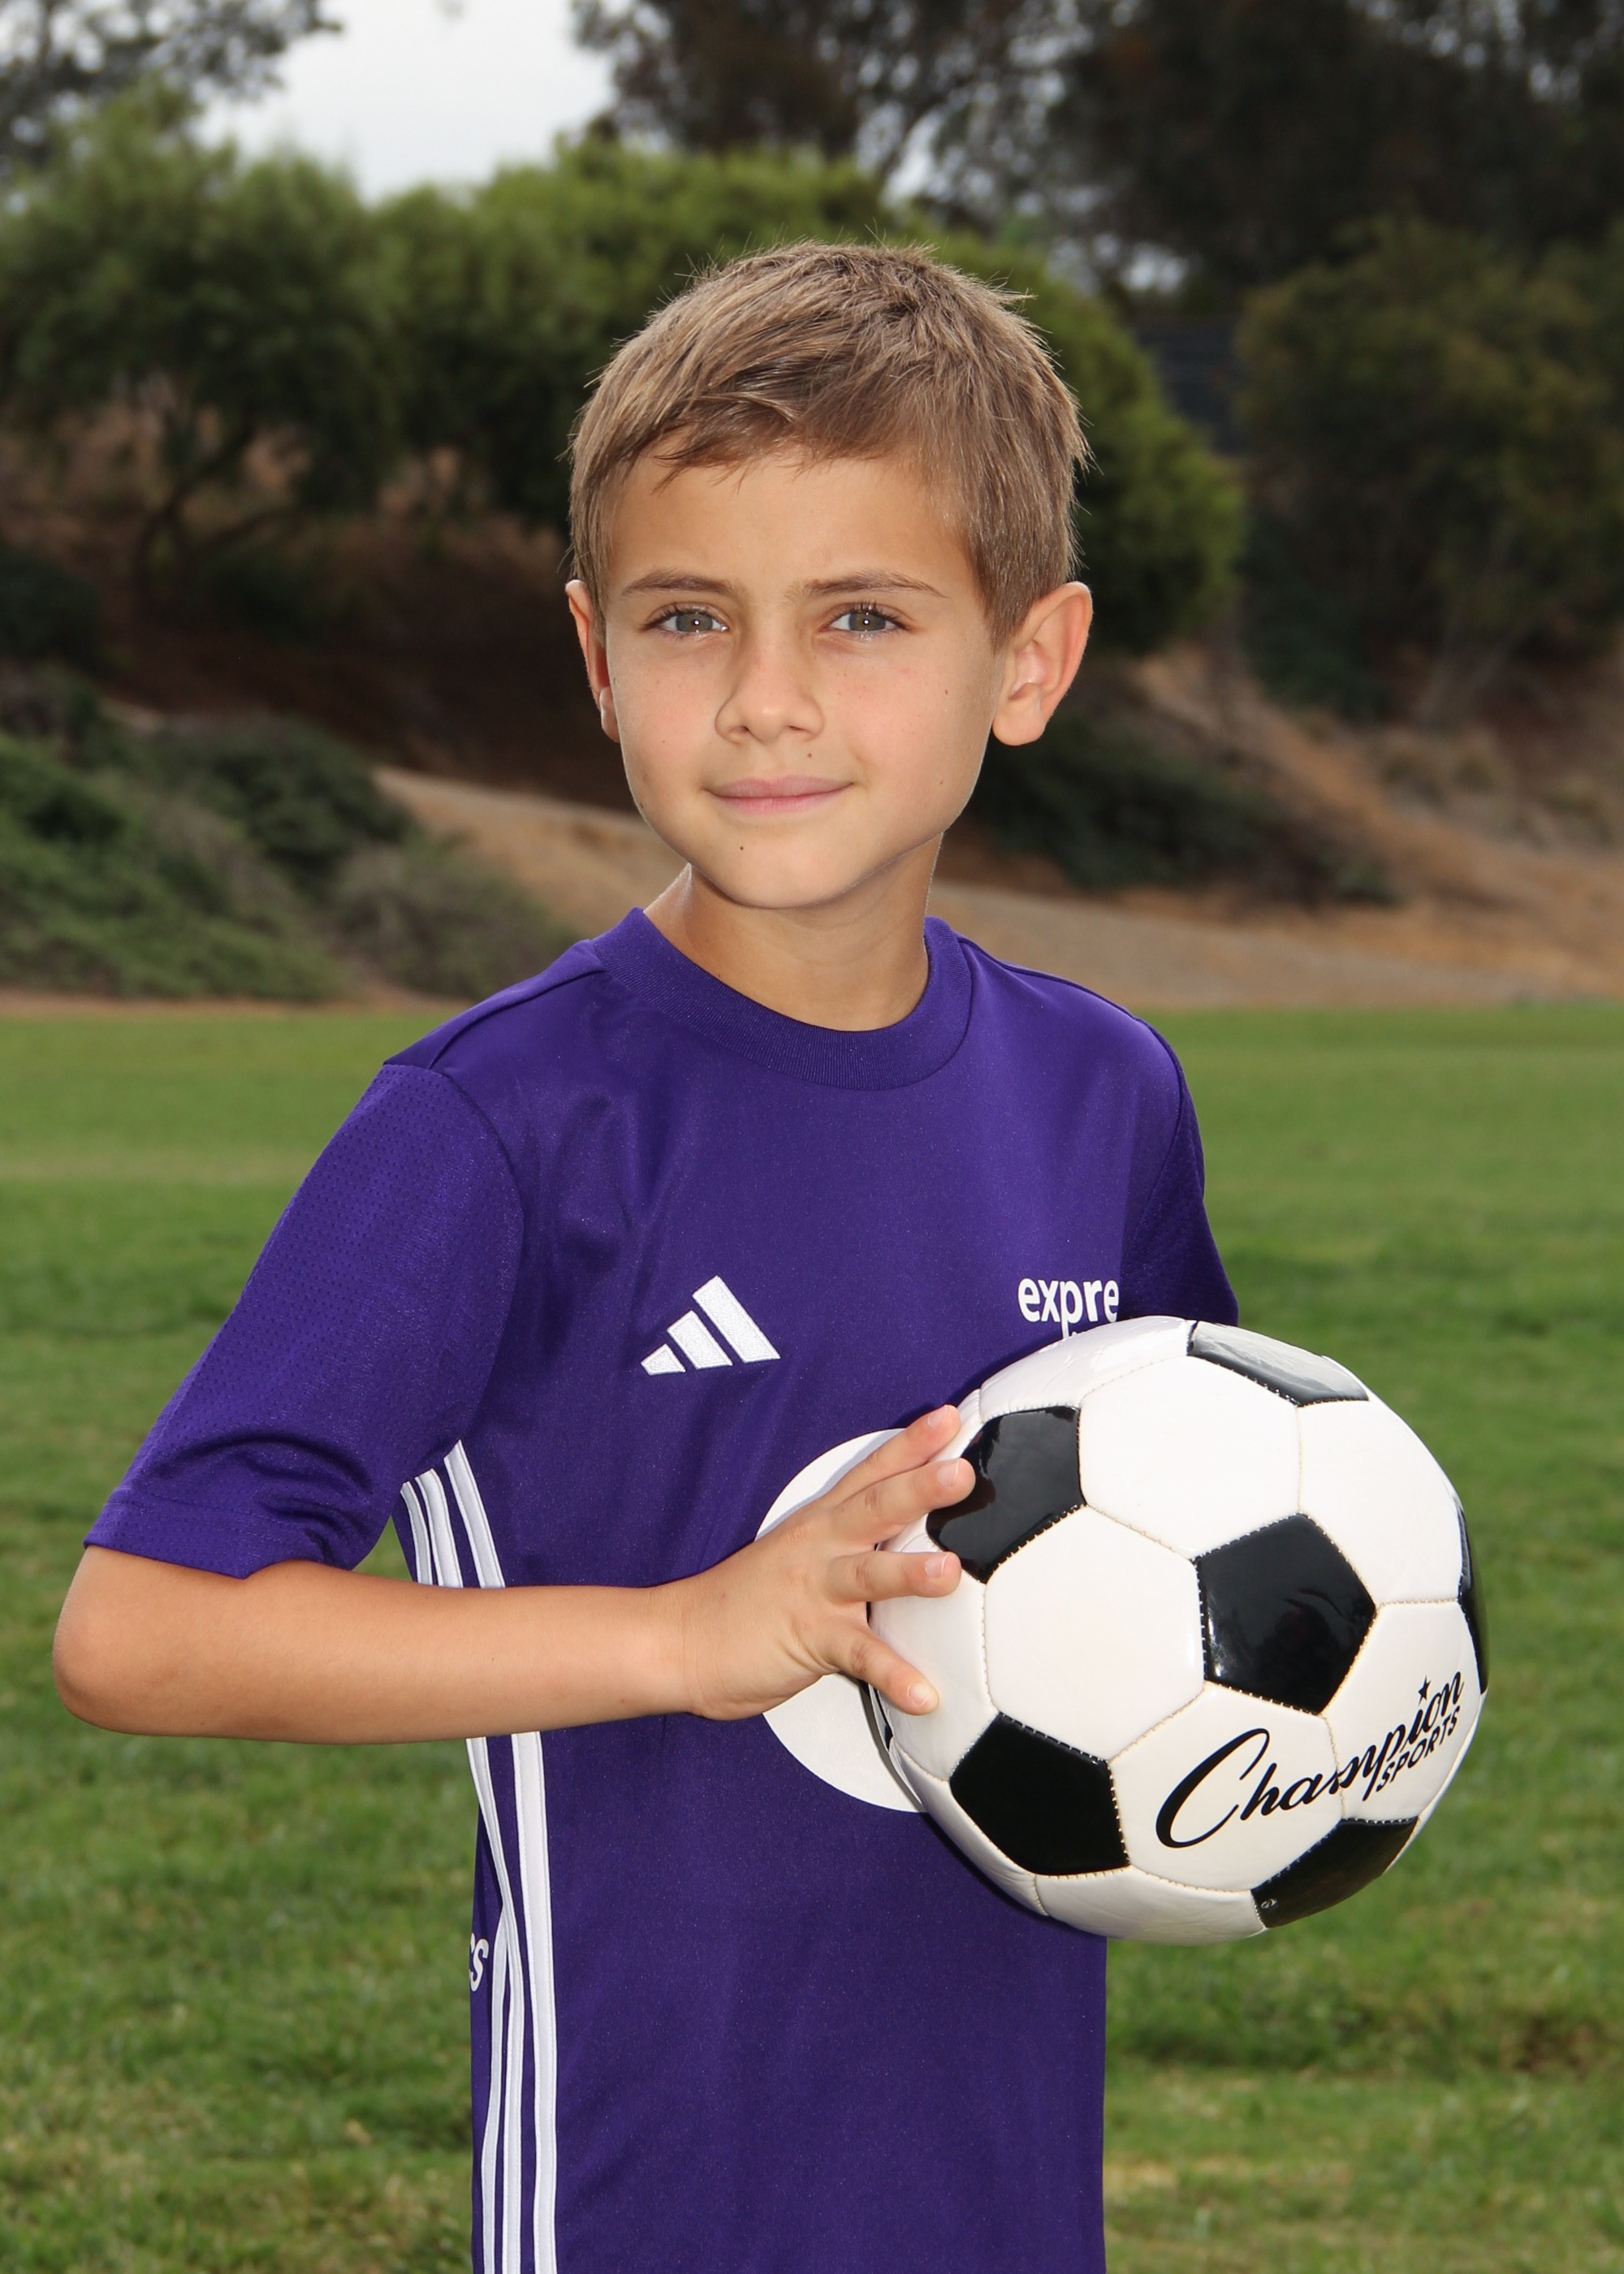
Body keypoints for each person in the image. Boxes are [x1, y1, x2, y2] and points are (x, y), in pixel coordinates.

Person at [54, 241, 1237, 2274]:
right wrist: (686, 1637)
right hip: (649, 2189)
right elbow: (141, 1628)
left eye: (862, 615)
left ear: (1028, 660)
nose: (766, 696)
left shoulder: (1101, 1093)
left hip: (1004, 2182)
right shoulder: (500, 1127)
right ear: (599, 658)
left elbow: (1175, 1570)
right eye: (692, 618)